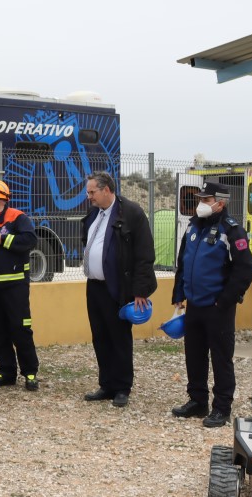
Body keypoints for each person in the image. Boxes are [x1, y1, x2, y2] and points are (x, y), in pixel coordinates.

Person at [171, 179, 252, 428]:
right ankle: (197, 401)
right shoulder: (193, 226)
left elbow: (245, 270)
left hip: (218, 307)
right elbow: (183, 263)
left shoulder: (232, 230)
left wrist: (225, 301)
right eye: (200, 199)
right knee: (194, 355)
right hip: (195, 305)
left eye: (206, 200)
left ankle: (221, 408)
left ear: (220, 203)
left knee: (221, 358)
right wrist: (178, 294)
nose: (201, 204)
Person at [80, 171, 157, 408]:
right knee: (100, 336)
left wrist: (140, 290)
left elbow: (144, 254)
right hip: (95, 287)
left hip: (118, 287)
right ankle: (107, 384)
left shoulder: (131, 213)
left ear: (107, 190)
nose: (89, 196)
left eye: (92, 192)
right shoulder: (94, 214)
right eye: (88, 191)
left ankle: (122, 386)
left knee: (119, 338)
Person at [0, 179, 40, 392]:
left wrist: (4, 240)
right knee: (0, 331)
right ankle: (6, 371)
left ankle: (30, 373)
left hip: (15, 288)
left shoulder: (17, 217)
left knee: (20, 329)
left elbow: (31, 241)